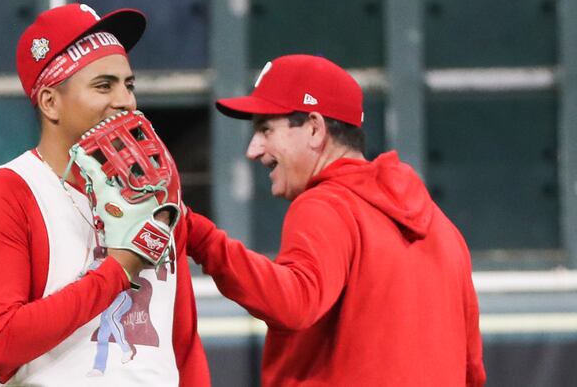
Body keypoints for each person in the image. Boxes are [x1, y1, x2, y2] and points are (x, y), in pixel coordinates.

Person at [186, 54, 486, 386]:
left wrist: (202, 239)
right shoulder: (443, 229)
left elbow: (294, 302)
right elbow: (471, 367)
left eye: (266, 129)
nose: (253, 149)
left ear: (314, 128)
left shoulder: (326, 205)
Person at [0, 3, 209, 386]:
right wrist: (119, 268)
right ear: (50, 102)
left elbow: (183, 346)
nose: (125, 100)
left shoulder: (155, 191)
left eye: (129, 84)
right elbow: (0, 343)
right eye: (103, 85)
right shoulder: (7, 193)